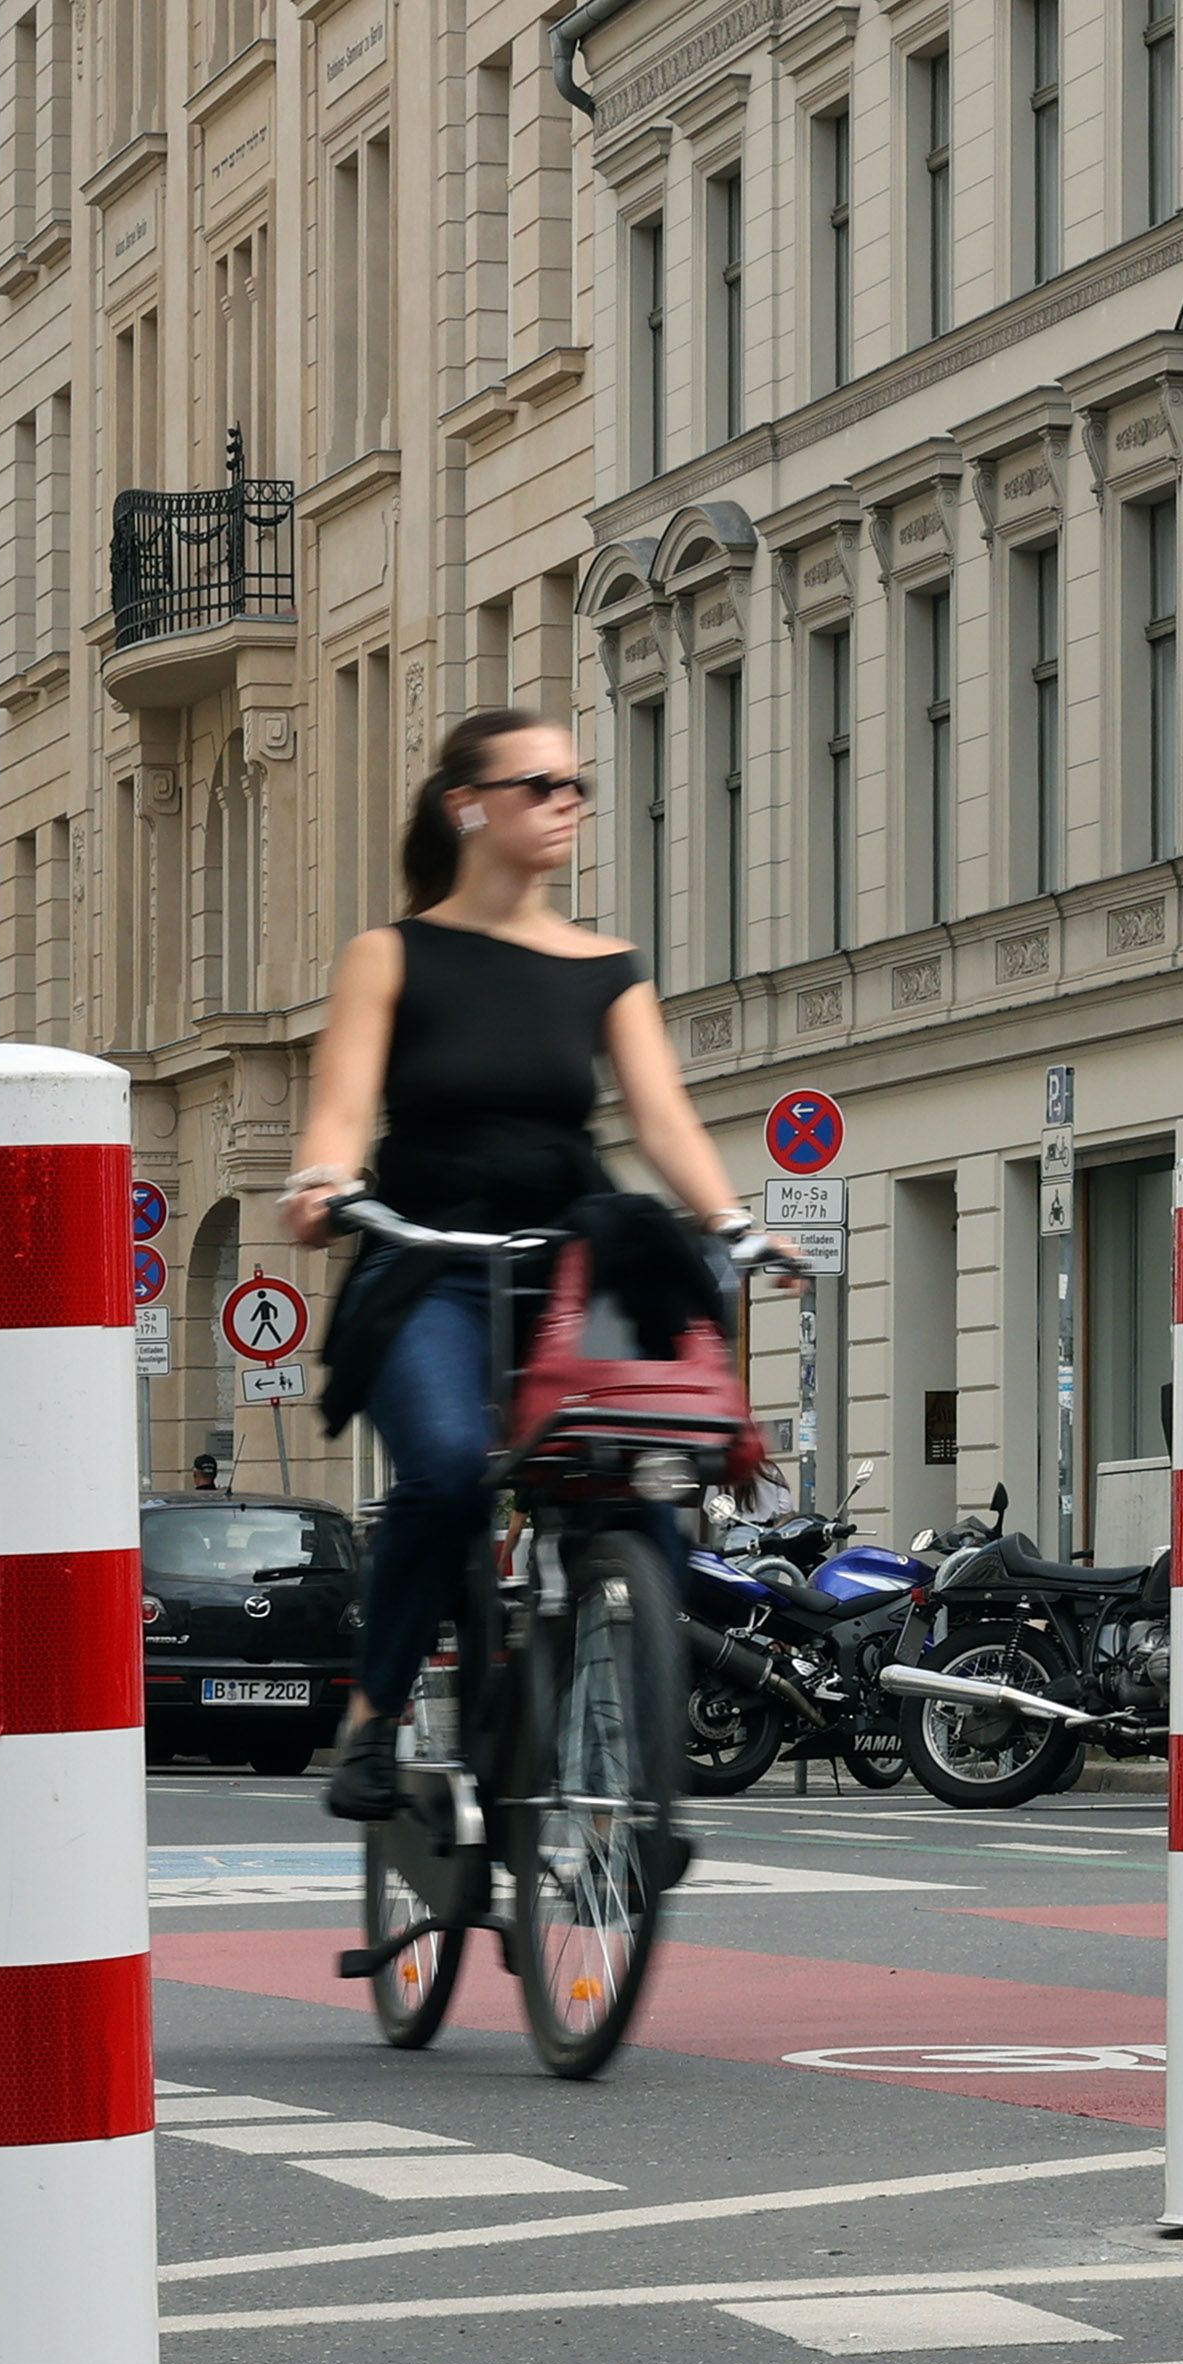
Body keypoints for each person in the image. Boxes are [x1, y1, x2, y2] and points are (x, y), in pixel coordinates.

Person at [279, 706, 780, 1824]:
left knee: (647, 1480)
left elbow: (663, 1121)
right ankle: (374, 1718)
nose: (566, 805)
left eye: (576, 787)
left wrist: (734, 1220)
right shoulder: (391, 955)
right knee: (449, 1470)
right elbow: (343, 1111)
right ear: (469, 806)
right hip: (430, 1259)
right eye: (540, 785)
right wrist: (321, 1182)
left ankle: (632, 1771)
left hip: (575, 1268)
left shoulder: (605, 967)